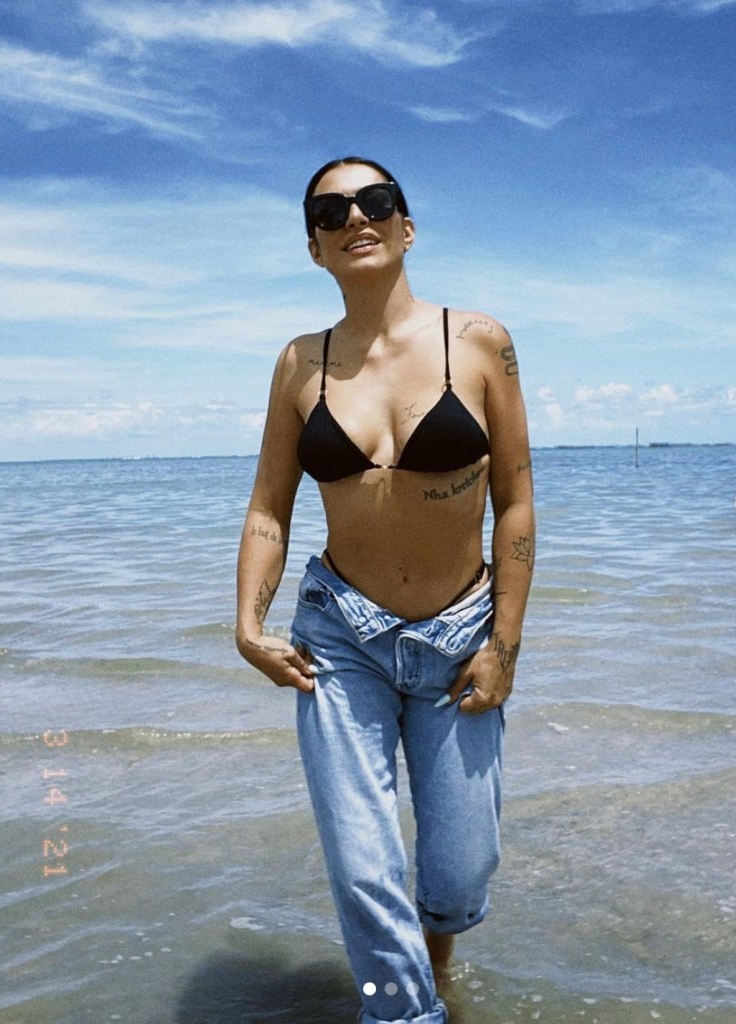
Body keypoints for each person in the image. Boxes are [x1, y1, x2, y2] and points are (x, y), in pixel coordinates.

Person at [236, 156, 535, 1024]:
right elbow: (268, 506)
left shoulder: (478, 341)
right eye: (330, 213)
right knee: (364, 868)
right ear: (313, 248)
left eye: (375, 201)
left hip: (460, 630)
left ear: (407, 226)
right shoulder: (300, 362)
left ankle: (434, 962)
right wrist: (248, 626)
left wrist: (504, 644)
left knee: (461, 870)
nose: (354, 218)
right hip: (339, 633)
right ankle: (404, 1013)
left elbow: (515, 501)